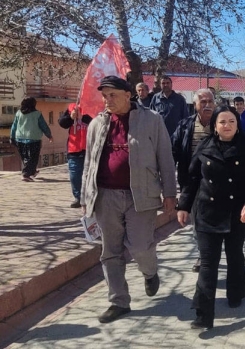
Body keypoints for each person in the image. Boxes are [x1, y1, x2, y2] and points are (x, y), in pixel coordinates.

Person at [81, 76, 176, 324]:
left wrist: (170, 193)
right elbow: (88, 163)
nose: (107, 100)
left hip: (141, 195)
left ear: (127, 95)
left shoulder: (152, 120)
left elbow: (165, 157)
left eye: (112, 95)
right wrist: (85, 197)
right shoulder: (97, 124)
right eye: (105, 96)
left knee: (140, 246)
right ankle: (118, 301)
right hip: (105, 195)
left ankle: (150, 272)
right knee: (110, 252)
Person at [176, 105, 245, 330]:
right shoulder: (204, 146)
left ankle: (236, 292)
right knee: (208, 263)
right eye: (222, 122)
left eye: (231, 121)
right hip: (208, 212)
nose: (227, 126)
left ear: (238, 124)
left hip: (238, 213)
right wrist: (183, 206)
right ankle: (203, 313)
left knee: (234, 254)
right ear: (215, 125)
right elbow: (192, 179)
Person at [171, 89, 216, 272]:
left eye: (210, 101)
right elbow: (174, 152)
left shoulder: (222, 123)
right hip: (192, 181)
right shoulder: (184, 125)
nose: (207, 105)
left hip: (219, 182)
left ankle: (214, 251)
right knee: (197, 220)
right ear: (195, 105)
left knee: (215, 219)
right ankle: (203, 255)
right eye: (203, 102)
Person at [10, 97, 53, 182]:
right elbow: (43, 126)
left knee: (25, 157)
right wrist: (49, 135)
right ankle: (25, 174)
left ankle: (32, 172)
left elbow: (14, 126)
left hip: (20, 139)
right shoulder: (37, 114)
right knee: (33, 158)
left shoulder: (18, 113)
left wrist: (12, 137)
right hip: (33, 139)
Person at [58, 102, 92, 207]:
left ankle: (90, 197)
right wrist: (70, 117)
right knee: (75, 175)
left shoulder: (93, 106)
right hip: (74, 149)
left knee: (90, 175)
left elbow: (98, 123)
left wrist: (84, 118)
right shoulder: (72, 107)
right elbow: (62, 123)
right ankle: (78, 197)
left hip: (90, 149)